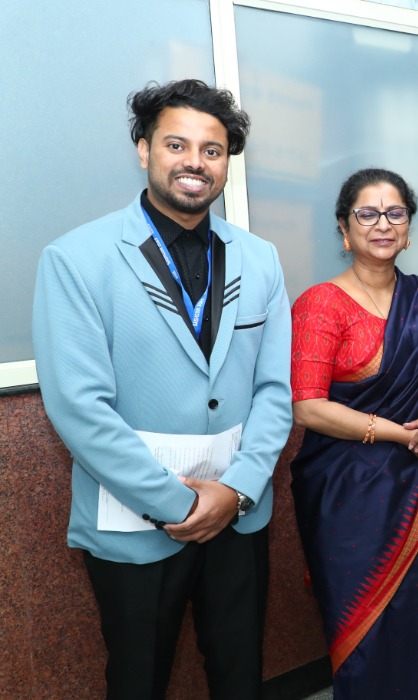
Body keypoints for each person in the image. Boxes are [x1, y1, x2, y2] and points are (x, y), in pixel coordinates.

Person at [32, 79, 292, 699]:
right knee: (137, 677)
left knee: (240, 672)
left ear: (226, 162)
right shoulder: (76, 259)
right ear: (144, 149)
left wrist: (237, 492)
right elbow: (79, 408)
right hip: (134, 518)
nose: (195, 162)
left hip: (237, 514)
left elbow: (275, 390)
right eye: (177, 144)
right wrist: (179, 506)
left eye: (212, 150)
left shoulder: (260, 258)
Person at [289, 168, 418, 698]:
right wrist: (402, 434)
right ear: (344, 230)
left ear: (409, 229)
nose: (382, 224)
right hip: (348, 494)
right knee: (367, 628)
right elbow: (308, 407)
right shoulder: (321, 303)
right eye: (367, 214)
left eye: (395, 213)